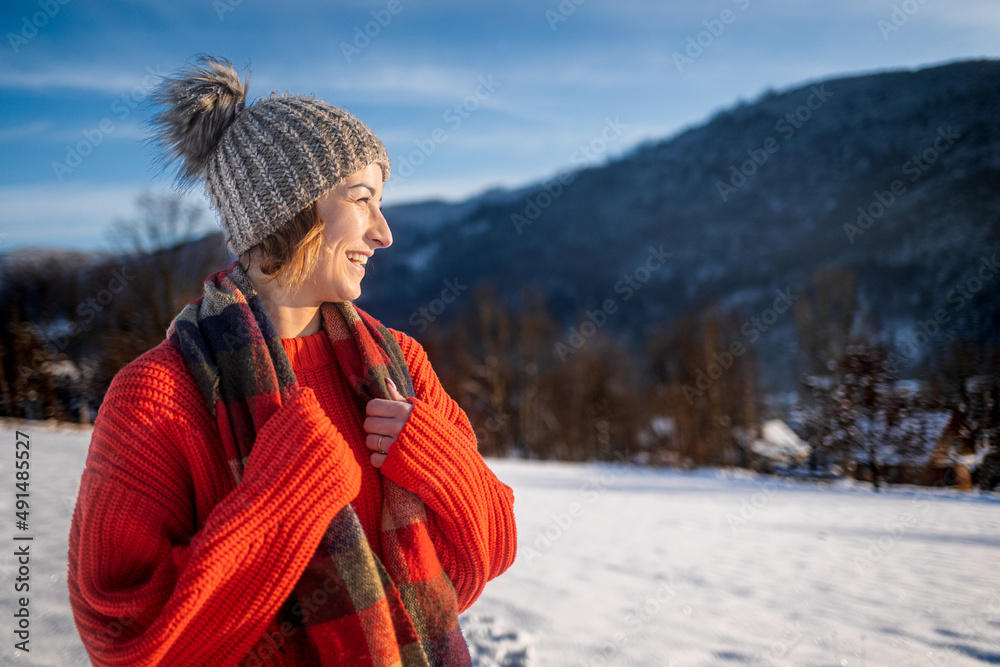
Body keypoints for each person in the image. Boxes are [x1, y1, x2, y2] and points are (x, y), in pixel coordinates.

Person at [67, 56, 517, 666]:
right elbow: (125, 643)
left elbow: (478, 561)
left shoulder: (398, 363)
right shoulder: (156, 396)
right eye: (362, 199)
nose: (384, 233)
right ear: (290, 208)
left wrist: (442, 465)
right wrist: (284, 498)